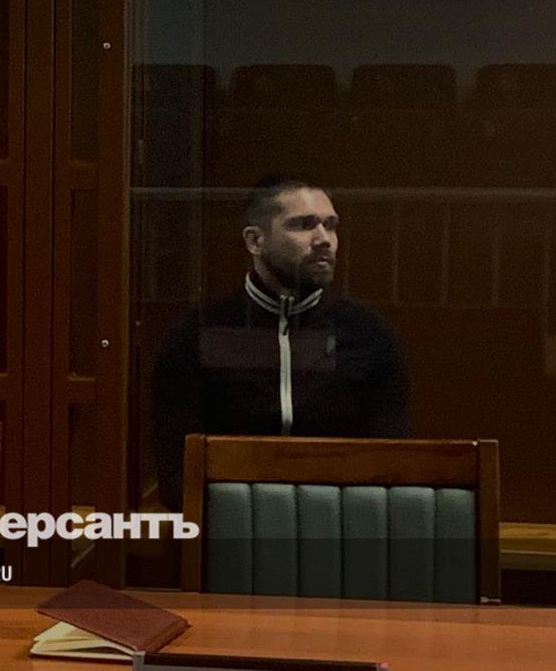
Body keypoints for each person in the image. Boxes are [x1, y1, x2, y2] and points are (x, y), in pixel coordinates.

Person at [152, 176, 410, 511]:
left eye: (330, 225)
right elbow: (177, 476)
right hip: (230, 526)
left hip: (340, 526)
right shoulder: (197, 335)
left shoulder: (369, 335)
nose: (324, 239)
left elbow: (391, 467)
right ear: (255, 240)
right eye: (304, 225)